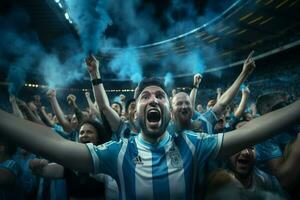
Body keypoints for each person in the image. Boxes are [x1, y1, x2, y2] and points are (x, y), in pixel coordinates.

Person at [1, 73, 300, 199]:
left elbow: (259, 128)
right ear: (135, 113)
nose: (153, 99)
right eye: (144, 97)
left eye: (159, 96)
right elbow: (54, 145)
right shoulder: (117, 151)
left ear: (168, 110)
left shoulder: (194, 144)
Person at [29, 120, 114, 200]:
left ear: (98, 137)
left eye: (89, 132)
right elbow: (46, 170)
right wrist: (38, 167)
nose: (84, 135)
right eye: (82, 132)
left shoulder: (106, 161)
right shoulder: (72, 161)